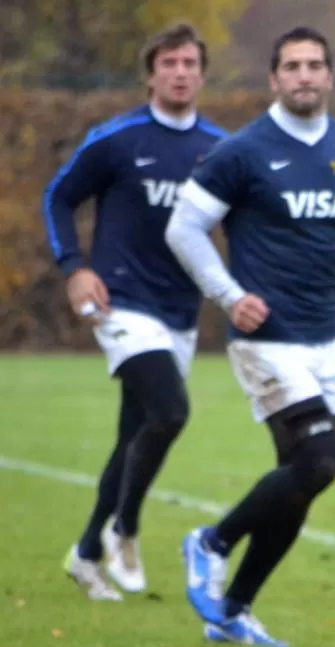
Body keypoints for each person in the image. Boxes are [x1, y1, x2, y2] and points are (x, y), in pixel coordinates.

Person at [164, 26, 335, 645]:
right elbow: (183, 228)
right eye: (292, 66)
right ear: (274, 79)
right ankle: (210, 541)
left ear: (329, 77)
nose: (304, 75)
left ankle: (233, 614)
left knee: (301, 482)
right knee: (323, 458)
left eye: (314, 65)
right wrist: (228, 295)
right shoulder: (243, 151)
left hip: (325, 340)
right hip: (266, 336)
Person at [42, 22, 225, 602]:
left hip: (179, 311)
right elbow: (58, 196)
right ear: (151, 73)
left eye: (189, 63)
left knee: (134, 435)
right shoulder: (117, 139)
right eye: (168, 62)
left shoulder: (219, 149)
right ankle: (126, 526)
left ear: (201, 73)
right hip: (121, 302)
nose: (179, 72)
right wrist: (75, 266)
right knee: (170, 412)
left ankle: (89, 551)